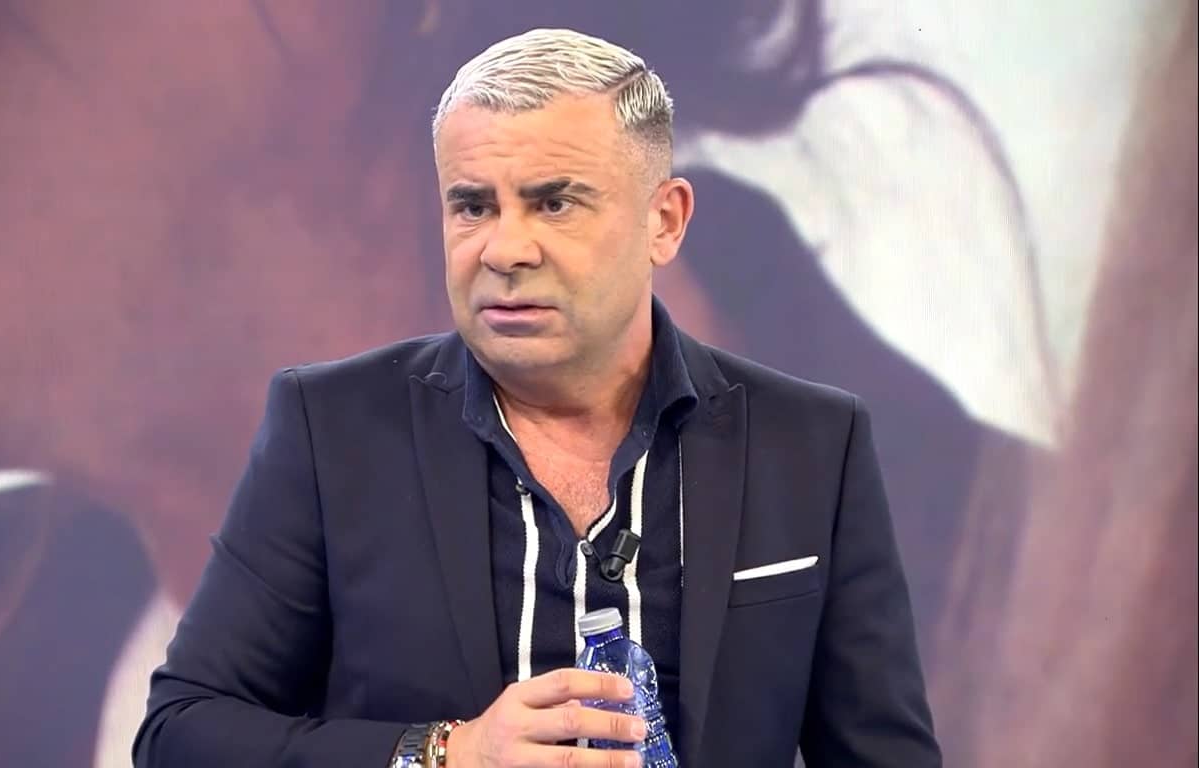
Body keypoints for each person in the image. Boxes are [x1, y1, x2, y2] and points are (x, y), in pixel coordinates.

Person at [133, 28, 940, 768]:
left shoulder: (810, 445)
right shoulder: (332, 430)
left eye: (554, 202)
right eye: (473, 206)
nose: (505, 249)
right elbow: (181, 732)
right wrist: (445, 754)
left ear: (664, 221)